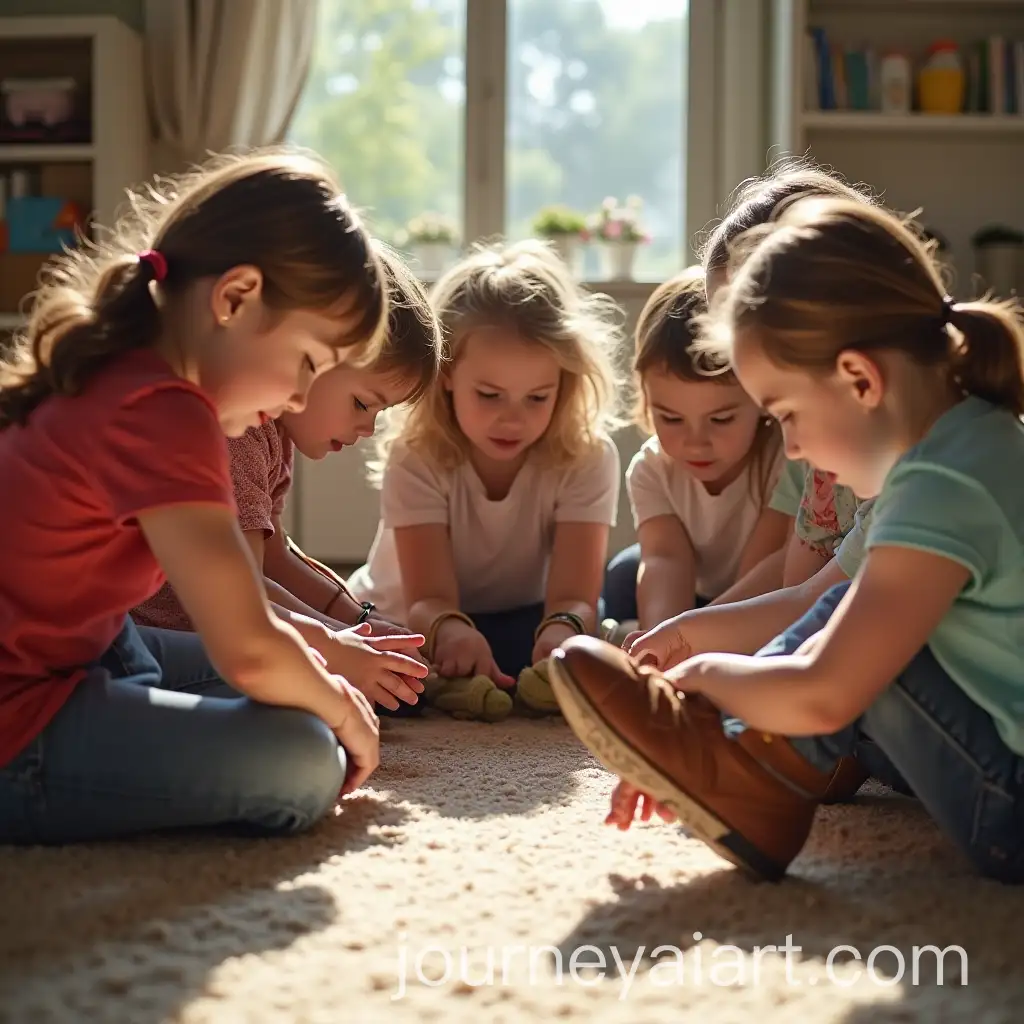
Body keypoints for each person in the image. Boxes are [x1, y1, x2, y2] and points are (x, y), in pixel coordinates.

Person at [548, 196, 1024, 883]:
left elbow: (827, 689)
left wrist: (707, 685)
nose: (793, 449)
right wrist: (696, 632)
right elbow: (809, 595)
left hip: (1008, 810)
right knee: (843, 614)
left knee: (850, 638)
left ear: (860, 379)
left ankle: (744, 779)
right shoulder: (959, 445)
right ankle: (747, 778)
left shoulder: (946, 486)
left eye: (787, 415)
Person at [0, 149, 386, 845]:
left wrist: (316, 673)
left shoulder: (127, 371)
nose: (301, 397)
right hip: (17, 720)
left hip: (77, 645)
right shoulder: (165, 411)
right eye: (308, 362)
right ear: (234, 298)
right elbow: (247, 648)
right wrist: (345, 715)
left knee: (301, 674)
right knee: (303, 760)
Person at [132, 245, 445, 715]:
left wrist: (359, 621)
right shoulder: (241, 429)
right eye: (363, 404)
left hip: (212, 634)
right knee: (306, 724)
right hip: (167, 636)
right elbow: (246, 592)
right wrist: (338, 648)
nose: (369, 429)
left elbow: (273, 554)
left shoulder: (272, 428)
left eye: (381, 412)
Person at [347, 239, 623, 719]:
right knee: (387, 677)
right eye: (490, 394)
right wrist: (451, 632)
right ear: (447, 374)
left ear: (565, 383)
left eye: (537, 397)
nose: (512, 420)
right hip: (406, 615)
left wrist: (563, 628)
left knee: (571, 654)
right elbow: (428, 599)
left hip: (518, 617)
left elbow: (574, 595)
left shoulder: (588, 457)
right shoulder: (416, 456)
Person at [601, 265, 786, 639]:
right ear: (647, 402)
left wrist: (699, 639)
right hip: (697, 594)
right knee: (624, 573)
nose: (695, 442)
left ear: (761, 399)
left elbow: (765, 570)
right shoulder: (651, 469)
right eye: (670, 418)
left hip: (761, 592)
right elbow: (666, 559)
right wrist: (662, 638)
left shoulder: (784, 457)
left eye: (720, 419)